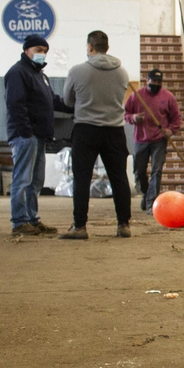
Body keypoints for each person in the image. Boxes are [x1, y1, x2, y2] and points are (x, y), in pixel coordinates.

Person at [61, 30, 133, 240]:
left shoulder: (77, 71)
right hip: (114, 130)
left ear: (89, 47)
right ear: (107, 48)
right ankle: (123, 225)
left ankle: (80, 226)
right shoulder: (122, 72)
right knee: (119, 178)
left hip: (86, 129)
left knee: (82, 179)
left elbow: (67, 100)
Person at [3, 33, 67, 237]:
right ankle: (19, 222)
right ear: (26, 51)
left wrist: (75, 105)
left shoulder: (40, 75)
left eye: (45, 51)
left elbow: (52, 100)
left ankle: (32, 219)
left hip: (38, 135)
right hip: (25, 136)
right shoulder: (18, 72)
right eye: (38, 50)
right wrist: (25, 132)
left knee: (36, 181)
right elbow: (15, 104)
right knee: (22, 179)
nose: (42, 54)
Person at [124, 68, 183, 213]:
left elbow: (177, 118)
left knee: (156, 171)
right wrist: (133, 118)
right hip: (140, 139)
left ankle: (152, 203)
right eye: (153, 81)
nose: (156, 84)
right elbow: (126, 114)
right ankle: (146, 193)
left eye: (159, 81)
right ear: (147, 80)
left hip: (159, 140)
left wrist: (170, 130)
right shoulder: (136, 95)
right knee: (139, 171)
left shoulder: (168, 97)